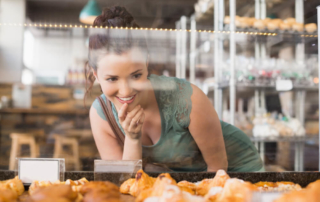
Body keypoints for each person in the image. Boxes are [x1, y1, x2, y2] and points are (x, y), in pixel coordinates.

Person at [86, 6, 263, 172]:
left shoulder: (187, 99)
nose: (125, 91)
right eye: (112, 79)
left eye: (136, 76)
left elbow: (218, 171)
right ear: (96, 75)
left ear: (146, 62)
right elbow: (124, 184)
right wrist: (132, 138)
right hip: (185, 182)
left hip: (237, 173)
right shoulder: (102, 115)